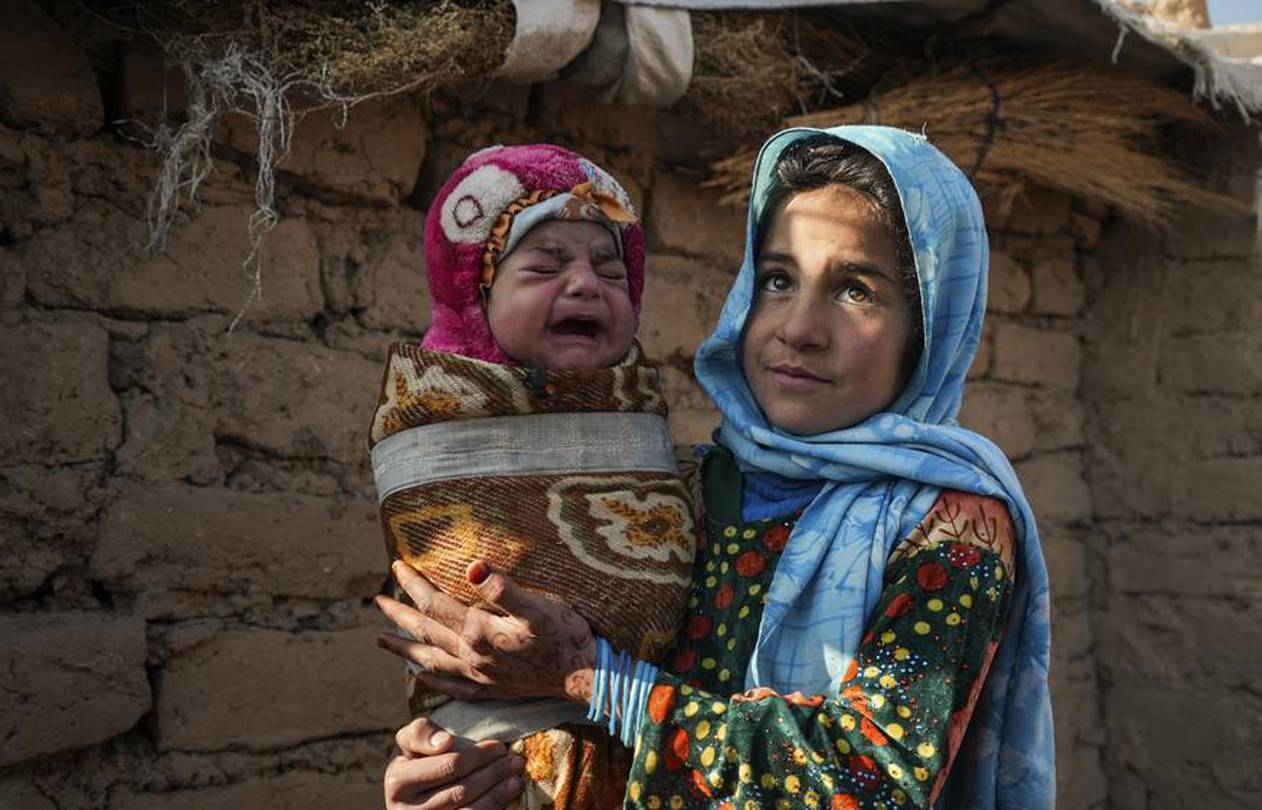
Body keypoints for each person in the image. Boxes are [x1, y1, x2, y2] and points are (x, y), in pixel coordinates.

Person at [376, 126, 1054, 809]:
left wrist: (593, 678)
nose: (798, 328)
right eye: (778, 280)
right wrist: (458, 775)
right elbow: (540, 714)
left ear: (930, 327)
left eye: (855, 291)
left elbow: (871, 780)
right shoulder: (671, 495)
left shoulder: (952, 528)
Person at [370, 143, 695, 809]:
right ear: (474, 295)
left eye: (611, 270)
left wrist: (586, 670)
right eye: (545, 266)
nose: (586, 285)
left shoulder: (672, 454)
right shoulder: (436, 420)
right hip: (499, 771)